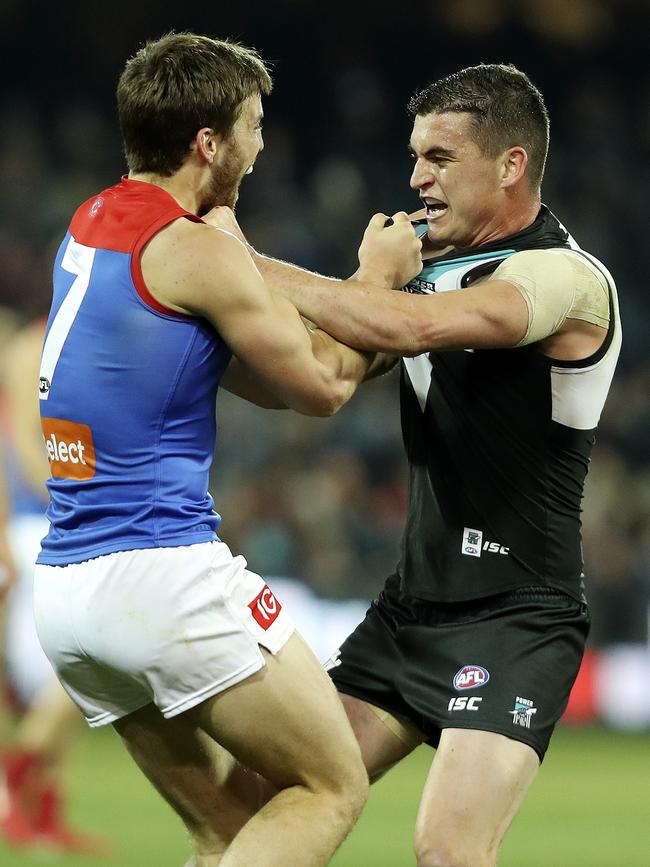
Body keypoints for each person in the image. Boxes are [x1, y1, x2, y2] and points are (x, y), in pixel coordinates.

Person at [211, 63, 621, 867]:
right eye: (414, 156)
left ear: (510, 165)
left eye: (439, 156)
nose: (415, 178)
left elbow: (417, 328)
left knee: (447, 850)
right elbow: (319, 377)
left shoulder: (564, 279)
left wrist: (234, 261)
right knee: (256, 807)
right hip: (410, 612)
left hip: (516, 618)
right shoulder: (425, 273)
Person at [32, 32, 422, 867]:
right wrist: (378, 279)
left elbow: (252, 373)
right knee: (331, 786)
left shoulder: (92, 223)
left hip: (66, 594)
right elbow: (320, 385)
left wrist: (248, 260)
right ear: (209, 144)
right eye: (252, 122)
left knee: (230, 825)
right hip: (160, 575)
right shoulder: (195, 251)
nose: (262, 140)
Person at [0, 318, 109, 853]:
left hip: (67, 520)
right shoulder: (33, 343)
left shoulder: (89, 333)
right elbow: (24, 441)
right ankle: (16, 784)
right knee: (70, 667)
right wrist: (72, 504)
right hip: (39, 524)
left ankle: (43, 812)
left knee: (73, 670)